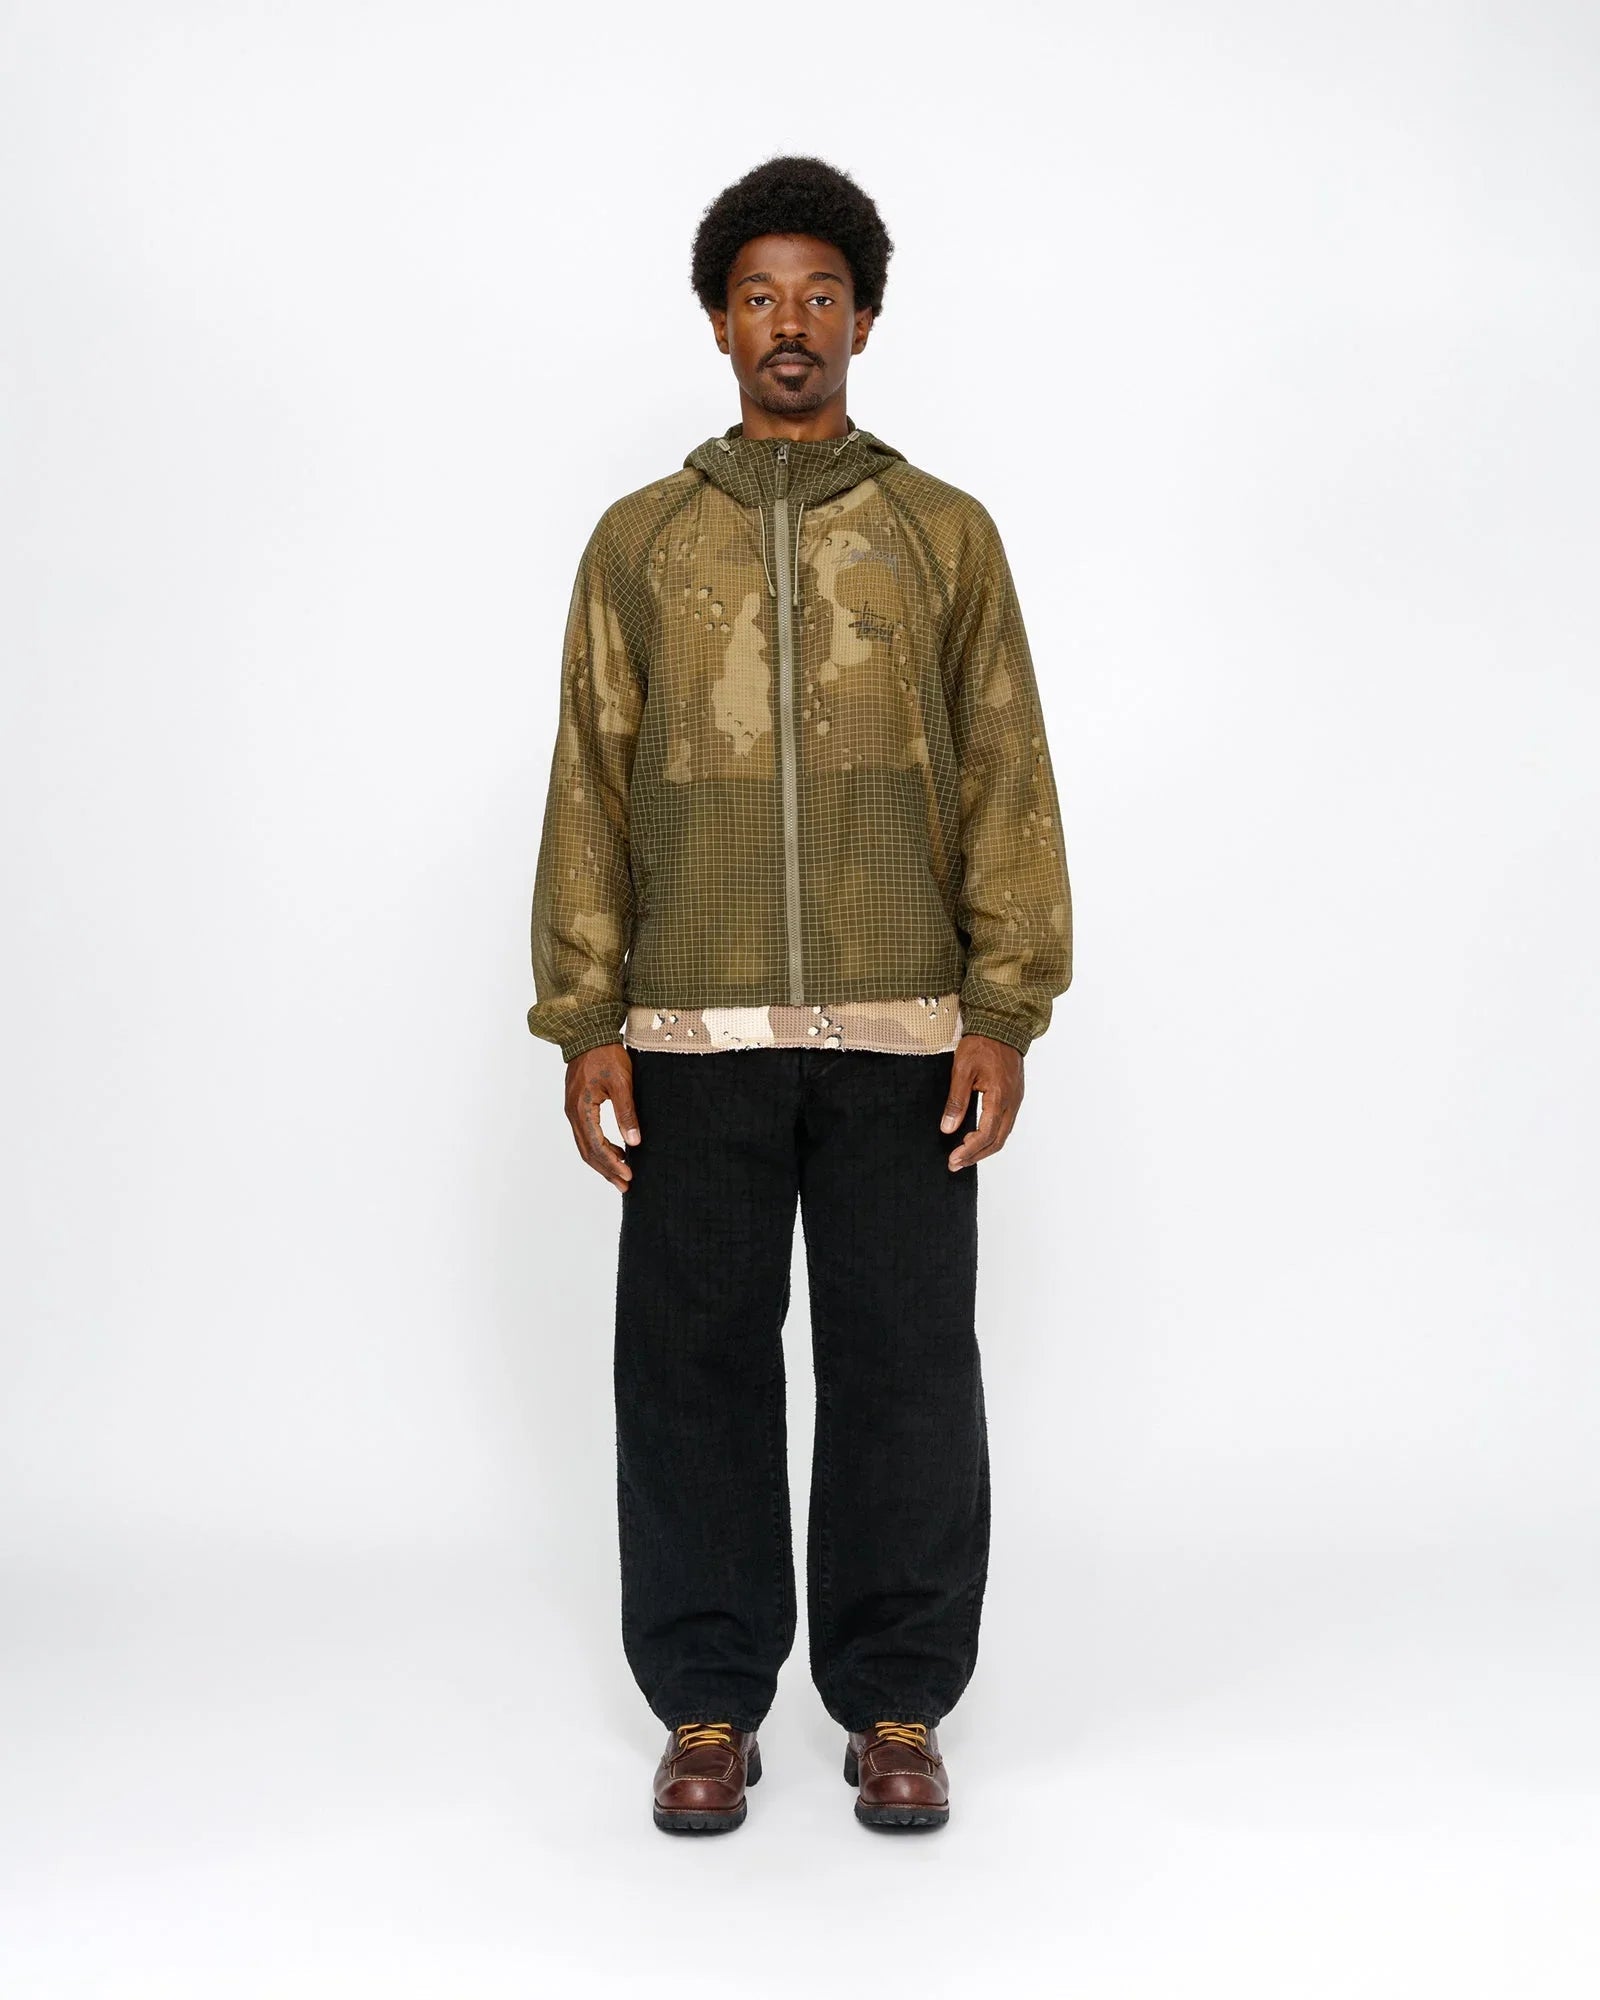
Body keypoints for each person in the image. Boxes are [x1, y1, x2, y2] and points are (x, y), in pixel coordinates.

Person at [526, 155, 1073, 1835]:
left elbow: (1007, 772)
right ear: (717, 321)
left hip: (905, 1031)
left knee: (907, 1371)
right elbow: (589, 780)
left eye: (820, 295)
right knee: (690, 1369)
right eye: (760, 294)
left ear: (864, 320)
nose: (791, 321)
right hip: (692, 1034)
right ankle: (708, 1706)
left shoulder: (942, 533)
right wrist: (586, 1019)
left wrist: (1005, 1007)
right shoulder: (641, 542)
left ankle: (897, 1701)